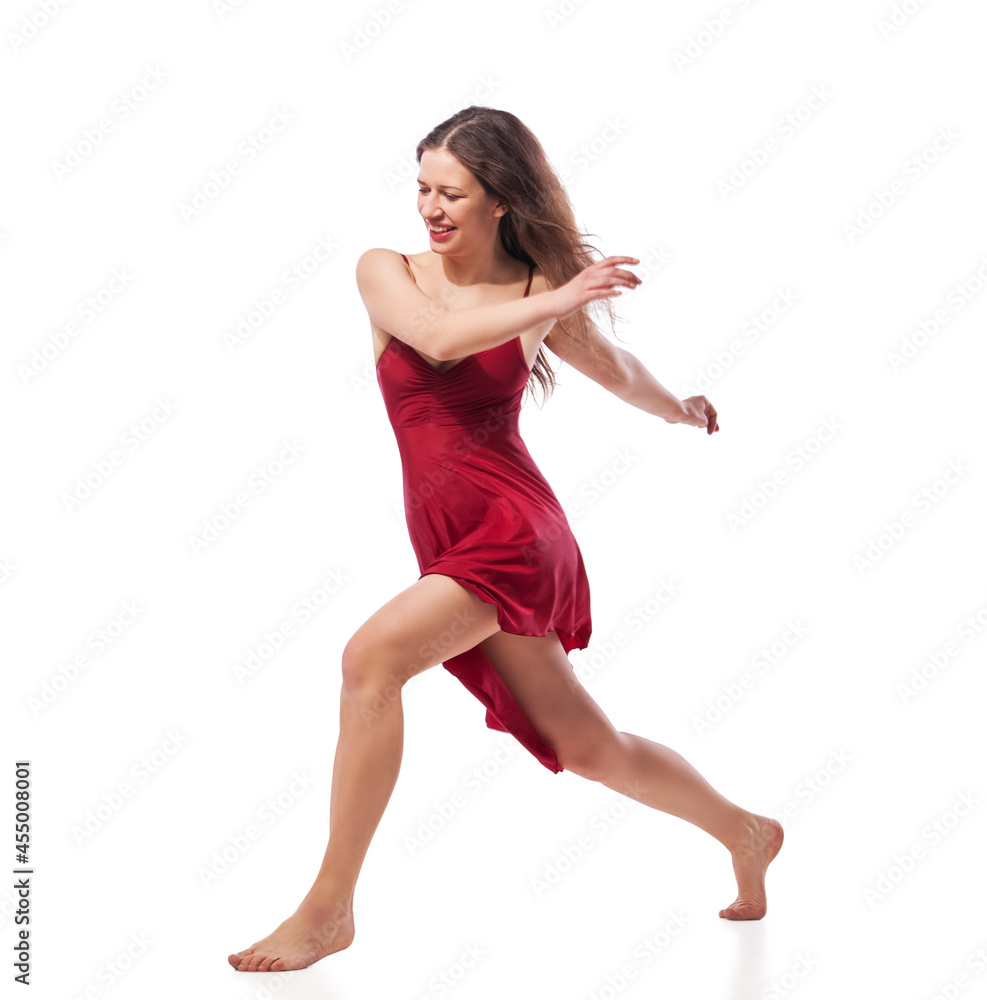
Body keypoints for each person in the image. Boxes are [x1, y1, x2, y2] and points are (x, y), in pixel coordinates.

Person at [228, 106, 783, 974]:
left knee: (370, 660)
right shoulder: (388, 272)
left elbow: (614, 369)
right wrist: (559, 298)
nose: (430, 207)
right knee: (588, 748)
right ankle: (745, 831)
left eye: (452, 193)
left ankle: (328, 909)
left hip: (512, 531)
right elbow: (436, 337)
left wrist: (679, 407)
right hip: (446, 533)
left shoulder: (534, 291)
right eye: (422, 187)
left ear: (500, 200)